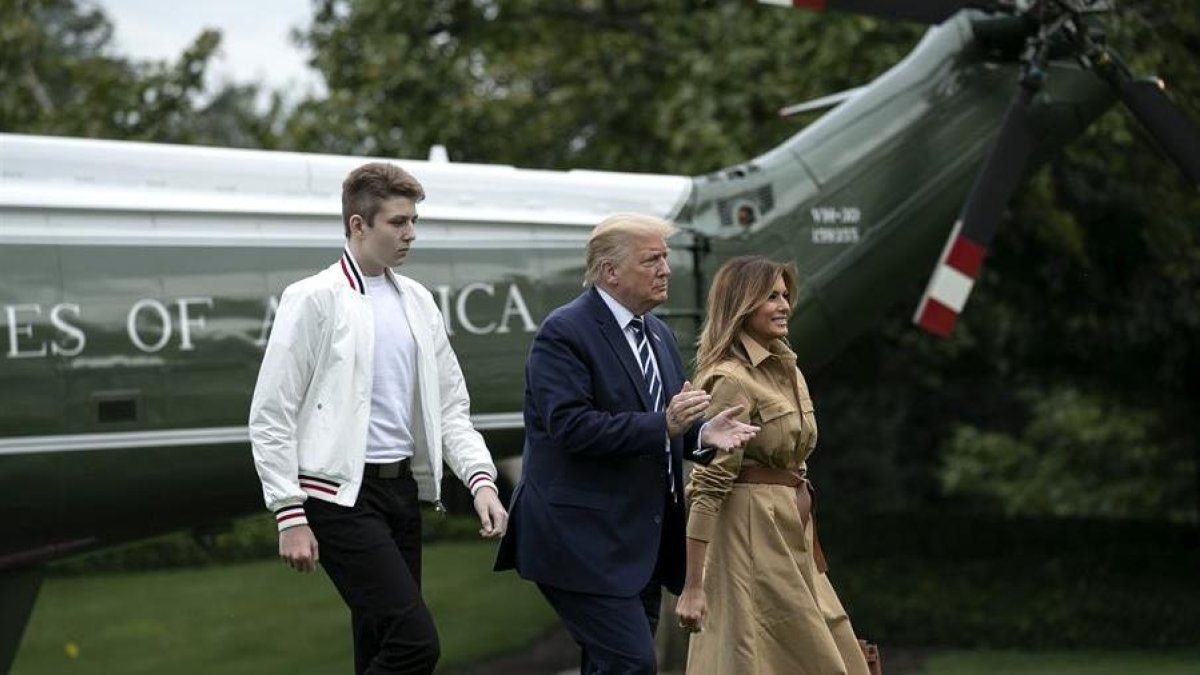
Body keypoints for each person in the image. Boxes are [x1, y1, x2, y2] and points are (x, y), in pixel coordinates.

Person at [249, 162, 508, 675]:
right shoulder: (313, 299)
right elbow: (271, 414)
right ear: (358, 225)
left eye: (413, 221)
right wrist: (289, 514)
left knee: (377, 647)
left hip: (400, 495)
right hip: (337, 499)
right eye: (397, 222)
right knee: (415, 645)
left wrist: (481, 482)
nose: (410, 234)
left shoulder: (418, 301)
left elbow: (450, 407)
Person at [494, 213, 758, 675]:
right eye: (651, 259)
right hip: (580, 542)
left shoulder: (656, 332)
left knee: (614, 666)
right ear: (609, 271)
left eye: (666, 257)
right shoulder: (564, 332)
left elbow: (668, 422)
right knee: (632, 665)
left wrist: (702, 435)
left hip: (641, 543)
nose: (666, 269)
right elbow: (572, 428)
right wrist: (667, 426)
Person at [674, 255, 871, 674]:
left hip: (792, 527)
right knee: (775, 654)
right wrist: (694, 586)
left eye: (785, 295)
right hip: (749, 531)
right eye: (770, 297)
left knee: (825, 638)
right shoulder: (729, 379)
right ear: (742, 305)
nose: (784, 305)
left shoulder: (788, 369)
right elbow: (707, 485)